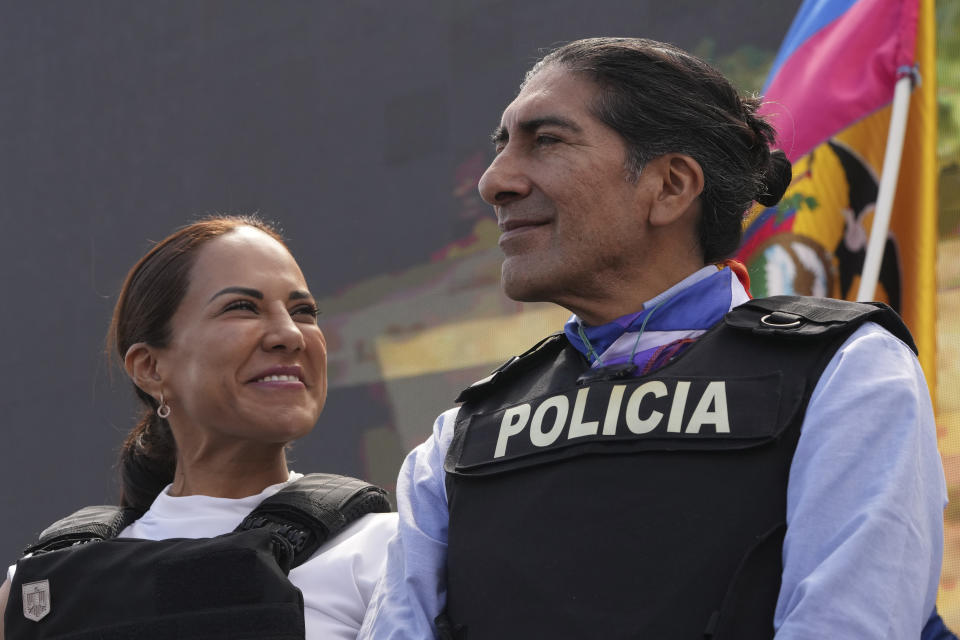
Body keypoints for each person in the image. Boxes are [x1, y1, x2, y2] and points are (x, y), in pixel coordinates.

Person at [358, 38, 947, 639]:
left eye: (547, 140)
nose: (494, 182)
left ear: (670, 186)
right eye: (502, 145)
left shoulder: (845, 370)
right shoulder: (461, 433)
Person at [0, 215, 397, 640]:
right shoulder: (36, 587)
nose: (289, 334)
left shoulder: (389, 552)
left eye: (303, 311)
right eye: (242, 307)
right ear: (150, 368)